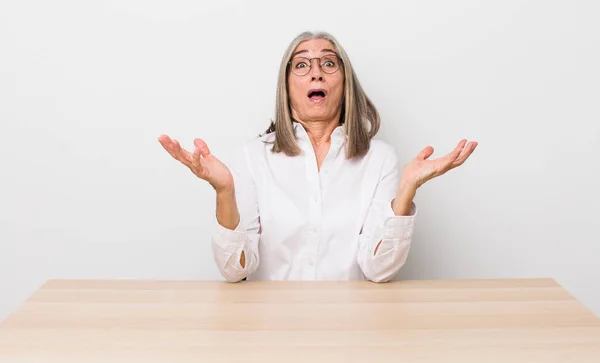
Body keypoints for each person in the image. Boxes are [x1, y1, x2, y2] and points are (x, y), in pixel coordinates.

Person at [158, 31, 478, 283]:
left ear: (344, 82)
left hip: (352, 329)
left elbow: (379, 269)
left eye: (328, 63)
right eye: (301, 64)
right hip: (269, 328)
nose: (316, 74)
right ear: (286, 86)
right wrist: (224, 192)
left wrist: (407, 190)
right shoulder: (252, 158)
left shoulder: (380, 159)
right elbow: (235, 270)